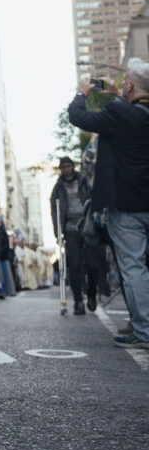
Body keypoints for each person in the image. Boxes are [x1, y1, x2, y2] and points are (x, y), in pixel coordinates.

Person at [68, 63, 149, 348]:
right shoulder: (127, 110)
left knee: (134, 266)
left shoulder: (118, 113)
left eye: (124, 81)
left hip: (127, 203)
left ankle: (145, 331)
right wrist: (117, 94)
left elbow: (77, 116)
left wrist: (83, 94)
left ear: (129, 86)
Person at [49, 156, 97, 315]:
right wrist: (58, 233)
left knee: (92, 265)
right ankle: (78, 302)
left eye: (69, 166)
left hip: (87, 225)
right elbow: (54, 212)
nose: (66, 170)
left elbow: (94, 200)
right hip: (69, 229)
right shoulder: (58, 188)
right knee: (74, 266)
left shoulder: (84, 182)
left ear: (73, 167)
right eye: (63, 167)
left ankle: (91, 293)